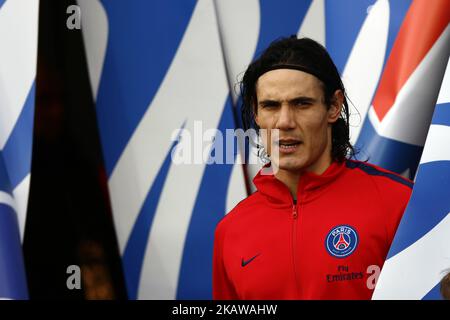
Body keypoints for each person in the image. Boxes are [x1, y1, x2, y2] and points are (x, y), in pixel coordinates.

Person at [212, 36, 413, 300]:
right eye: (271, 106)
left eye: (301, 104)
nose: (284, 121)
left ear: (333, 106)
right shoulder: (231, 231)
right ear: (256, 114)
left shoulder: (399, 202)